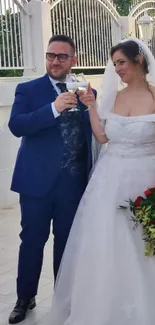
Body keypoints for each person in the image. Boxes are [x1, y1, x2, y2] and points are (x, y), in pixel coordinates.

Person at [50, 37, 155, 325]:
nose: (117, 69)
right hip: (110, 181)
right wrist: (93, 107)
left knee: (143, 244)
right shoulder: (115, 97)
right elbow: (103, 137)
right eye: (114, 64)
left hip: (146, 179)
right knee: (108, 244)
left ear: (140, 60)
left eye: (121, 62)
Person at [8, 34, 98, 324]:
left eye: (62, 56)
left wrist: (91, 106)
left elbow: (94, 134)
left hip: (73, 182)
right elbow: (16, 125)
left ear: (73, 60)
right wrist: (53, 108)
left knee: (67, 244)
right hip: (36, 183)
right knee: (32, 241)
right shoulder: (28, 89)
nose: (55, 61)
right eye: (50, 55)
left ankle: (62, 297)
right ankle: (25, 298)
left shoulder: (86, 91)